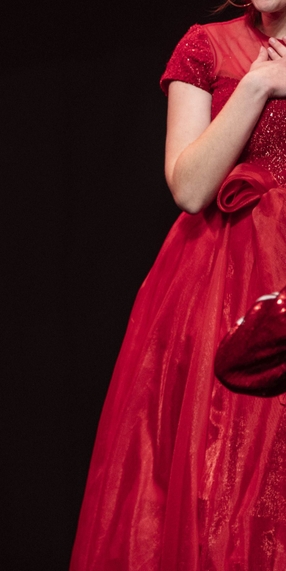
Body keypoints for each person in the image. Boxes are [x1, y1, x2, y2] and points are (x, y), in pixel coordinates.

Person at [72, 2, 286, 569]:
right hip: (224, 291)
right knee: (221, 487)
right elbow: (189, 188)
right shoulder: (206, 44)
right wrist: (259, 85)